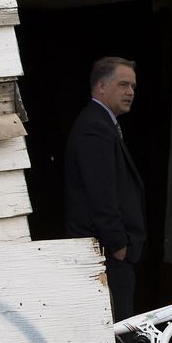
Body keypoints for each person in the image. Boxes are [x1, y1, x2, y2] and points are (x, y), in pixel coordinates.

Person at [65, 57, 147, 321]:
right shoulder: (94, 127)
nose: (131, 92)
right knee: (115, 329)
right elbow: (101, 193)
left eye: (133, 86)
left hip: (108, 251)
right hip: (104, 252)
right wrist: (117, 244)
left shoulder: (103, 123)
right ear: (101, 86)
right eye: (123, 84)